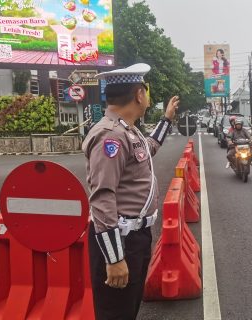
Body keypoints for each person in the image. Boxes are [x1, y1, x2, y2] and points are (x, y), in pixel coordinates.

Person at [82, 63, 179, 320]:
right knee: (117, 313)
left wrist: (166, 119)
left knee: (127, 309)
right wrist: (114, 258)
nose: (147, 96)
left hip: (135, 238)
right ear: (138, 94)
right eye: (146, 91)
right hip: (120, 240)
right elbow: (102, 198)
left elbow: (148, 148)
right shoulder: (110, 136)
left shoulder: (127, 130)